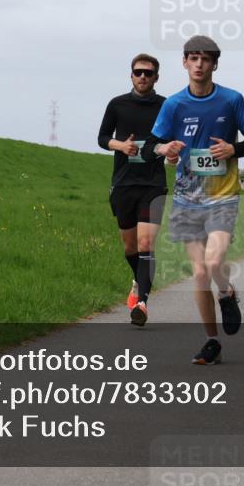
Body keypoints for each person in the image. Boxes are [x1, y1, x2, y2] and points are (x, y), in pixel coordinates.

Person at [142, 36, 244, 365]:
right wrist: (163, 149)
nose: (198, 64)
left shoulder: (231, 100)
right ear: (184, 63)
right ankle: (212, 342)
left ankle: (226, 292)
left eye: (205, 59)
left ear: (214, 64)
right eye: (192, 58)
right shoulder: (174, 105)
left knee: (213, 263)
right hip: (186, 199)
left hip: (222, 196)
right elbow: (147, 146)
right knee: (198, 273)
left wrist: (233, 149)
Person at [97, 54, 167, 327]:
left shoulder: (166, 106)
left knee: (146, 244)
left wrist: (170, 150)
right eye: (138, 72)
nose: (142, 77)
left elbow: (174, 136)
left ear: (156, 78)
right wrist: (121, 147)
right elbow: (103, 138)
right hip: (124, 183)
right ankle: (138, 279)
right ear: (131, 75)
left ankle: (142, 304)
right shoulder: (117, 105)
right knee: (129, 246)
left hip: (153, 183)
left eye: (148, 73)